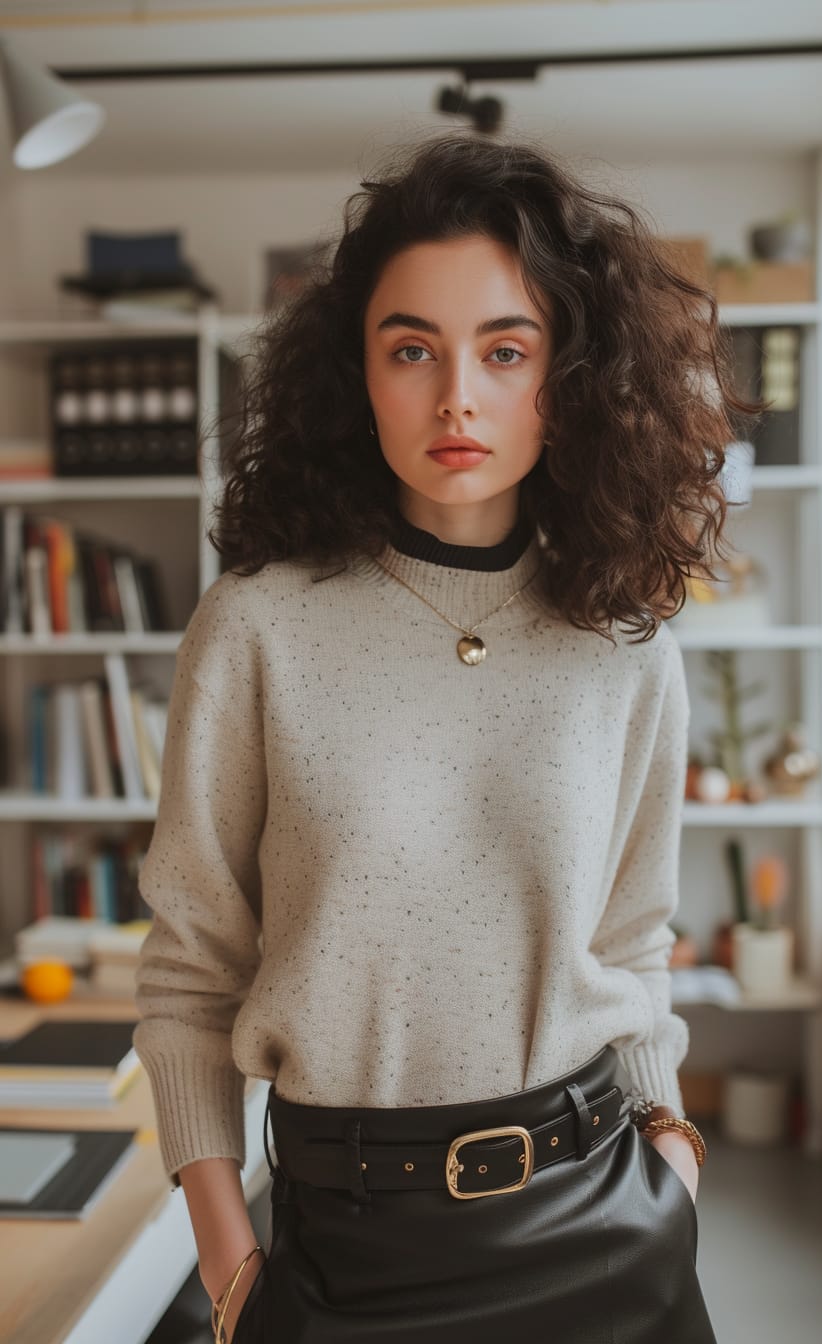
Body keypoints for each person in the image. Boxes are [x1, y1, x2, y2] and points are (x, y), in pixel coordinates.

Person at [134, 131, 755, 1343]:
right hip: (343, 1249)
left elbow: (631, 946)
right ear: (354, 373)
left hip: (604, 1225)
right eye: (410, 348)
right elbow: (189, 977)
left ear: (566, 377)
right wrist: (229, 1271)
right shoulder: (257, 627)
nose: (456, 395)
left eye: (504, 349)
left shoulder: (624, 647)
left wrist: (670, 1168)